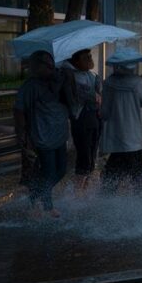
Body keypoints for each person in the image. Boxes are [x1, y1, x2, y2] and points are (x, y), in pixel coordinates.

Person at [13, 51, 70, 217]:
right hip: (42, 135)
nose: (51, 67)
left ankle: (34, 195)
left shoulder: (57, 80)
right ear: (36, 67)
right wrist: (21, 134)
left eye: (52, 64)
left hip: (59, 134)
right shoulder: (30, 86)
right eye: (47, 65)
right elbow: (19, 110)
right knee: (49, 171)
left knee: (60, 170)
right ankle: (46, 204)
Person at [99, 48, 142, 194]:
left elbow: (104, 112)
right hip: (132, 135)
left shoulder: (108, 83)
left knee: (114, 167)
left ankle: (106, 198)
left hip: (115, 134)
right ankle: (139, 198)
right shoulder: (137, 82)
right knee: (137, 172)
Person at [61, 49, 102, 194]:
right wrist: (94, 95)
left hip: (95, 117)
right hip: (81, 118)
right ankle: (78, 192)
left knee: (92, 153)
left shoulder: (91, 75)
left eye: (90, 56)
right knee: (84, 154)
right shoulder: (70, 76)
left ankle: (86, 189)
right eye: (86, 58)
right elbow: (81, 96)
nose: (90, 59)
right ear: (76, 61)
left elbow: (98, 95)